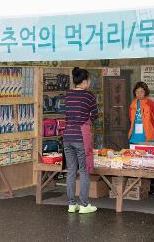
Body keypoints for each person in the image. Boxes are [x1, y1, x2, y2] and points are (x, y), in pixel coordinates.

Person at [64, 67, 98, 214]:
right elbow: (95, 115)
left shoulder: (68, 95)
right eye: (89, 80)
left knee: (71, 171)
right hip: (81, 137)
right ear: (84, 81)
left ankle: (72, 204)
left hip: (67, 136)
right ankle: (84, 205)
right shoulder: (89, 96)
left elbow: (66, 114)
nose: (89, 82)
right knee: (83, 171)